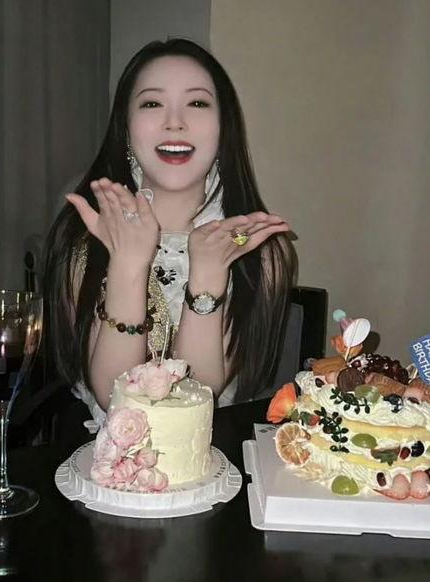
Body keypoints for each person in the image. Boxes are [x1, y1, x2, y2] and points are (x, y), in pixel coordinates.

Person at [43, 38, 297, 429]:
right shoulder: (84, 241)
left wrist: (208, 275)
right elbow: (117, 401)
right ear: (126, 128)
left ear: (224, 128)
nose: (175, 122)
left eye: (197, 103)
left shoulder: (257, 250)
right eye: (151, 103)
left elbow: (197, 398)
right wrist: (128, 263)